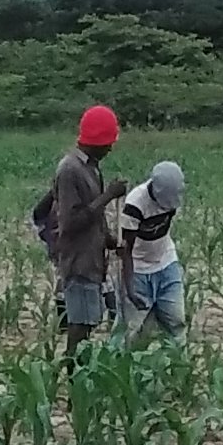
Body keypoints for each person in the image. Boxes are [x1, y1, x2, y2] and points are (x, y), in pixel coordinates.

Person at [47, 105, 126, 367]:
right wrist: (108, 196)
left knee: (87, 327)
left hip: (92, 261)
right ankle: (73, 390)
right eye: (108, 142)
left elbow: (93, 218)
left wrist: (110, 240)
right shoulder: (70, 170)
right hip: (78, 263)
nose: (111, 148)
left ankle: (77, 386)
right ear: (97, 141)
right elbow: (70, 222)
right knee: (79, 332)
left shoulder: (92, 168)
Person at [116, 160, 186, 343]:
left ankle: (177, 368)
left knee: (176, 323)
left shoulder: (173, 197)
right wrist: (130, 290)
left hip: (166, 262)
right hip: (138, 269)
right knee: (129, 331)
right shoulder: (135, 205)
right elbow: (126, 250)